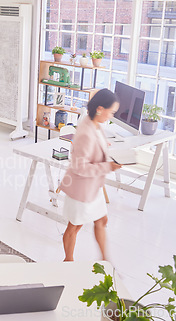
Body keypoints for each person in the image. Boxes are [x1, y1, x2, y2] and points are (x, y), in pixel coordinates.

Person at [60, 88, 122, 261]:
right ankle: (68, 262)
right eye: (111, 112)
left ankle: (105, 261)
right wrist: (107, 167)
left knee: (101, 220)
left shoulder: (93, 123)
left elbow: (94, 145)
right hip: (81, 189)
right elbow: (81, 167)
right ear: (100, 109)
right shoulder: (85, 132)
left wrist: (103, 146)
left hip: (93, 187)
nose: (111, 116)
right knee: (74, 228)